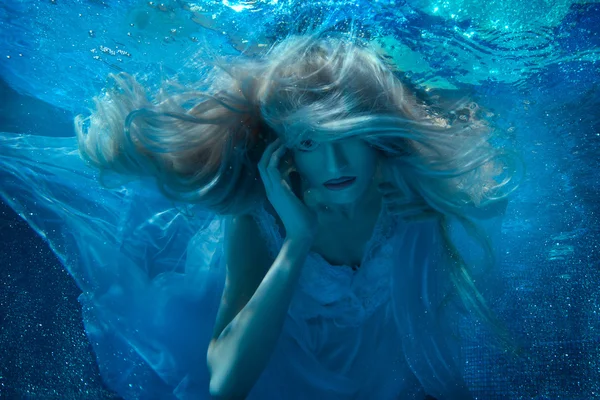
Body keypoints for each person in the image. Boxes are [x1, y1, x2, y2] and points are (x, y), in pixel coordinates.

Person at [0, 33, 522, 399]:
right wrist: (297, 243)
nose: (336, 165)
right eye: (311, 142)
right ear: (285, 151)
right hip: (272, 368)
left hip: (373, 373)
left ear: (376, 137)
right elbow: (225, 383)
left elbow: (439, 293)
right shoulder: (259, 216)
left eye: (350, 138)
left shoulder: (411, 194)